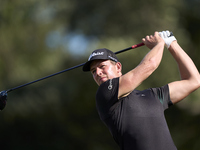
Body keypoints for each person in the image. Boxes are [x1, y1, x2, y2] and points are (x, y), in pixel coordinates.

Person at [82, 30, 200, 150]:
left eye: (102, 67)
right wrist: (159, 44)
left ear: (118, 67)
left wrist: (172, 43)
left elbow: (194, 81)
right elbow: (150, 64)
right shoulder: (104, 93)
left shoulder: (153, 95)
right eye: (93, 71)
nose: (97, 73)